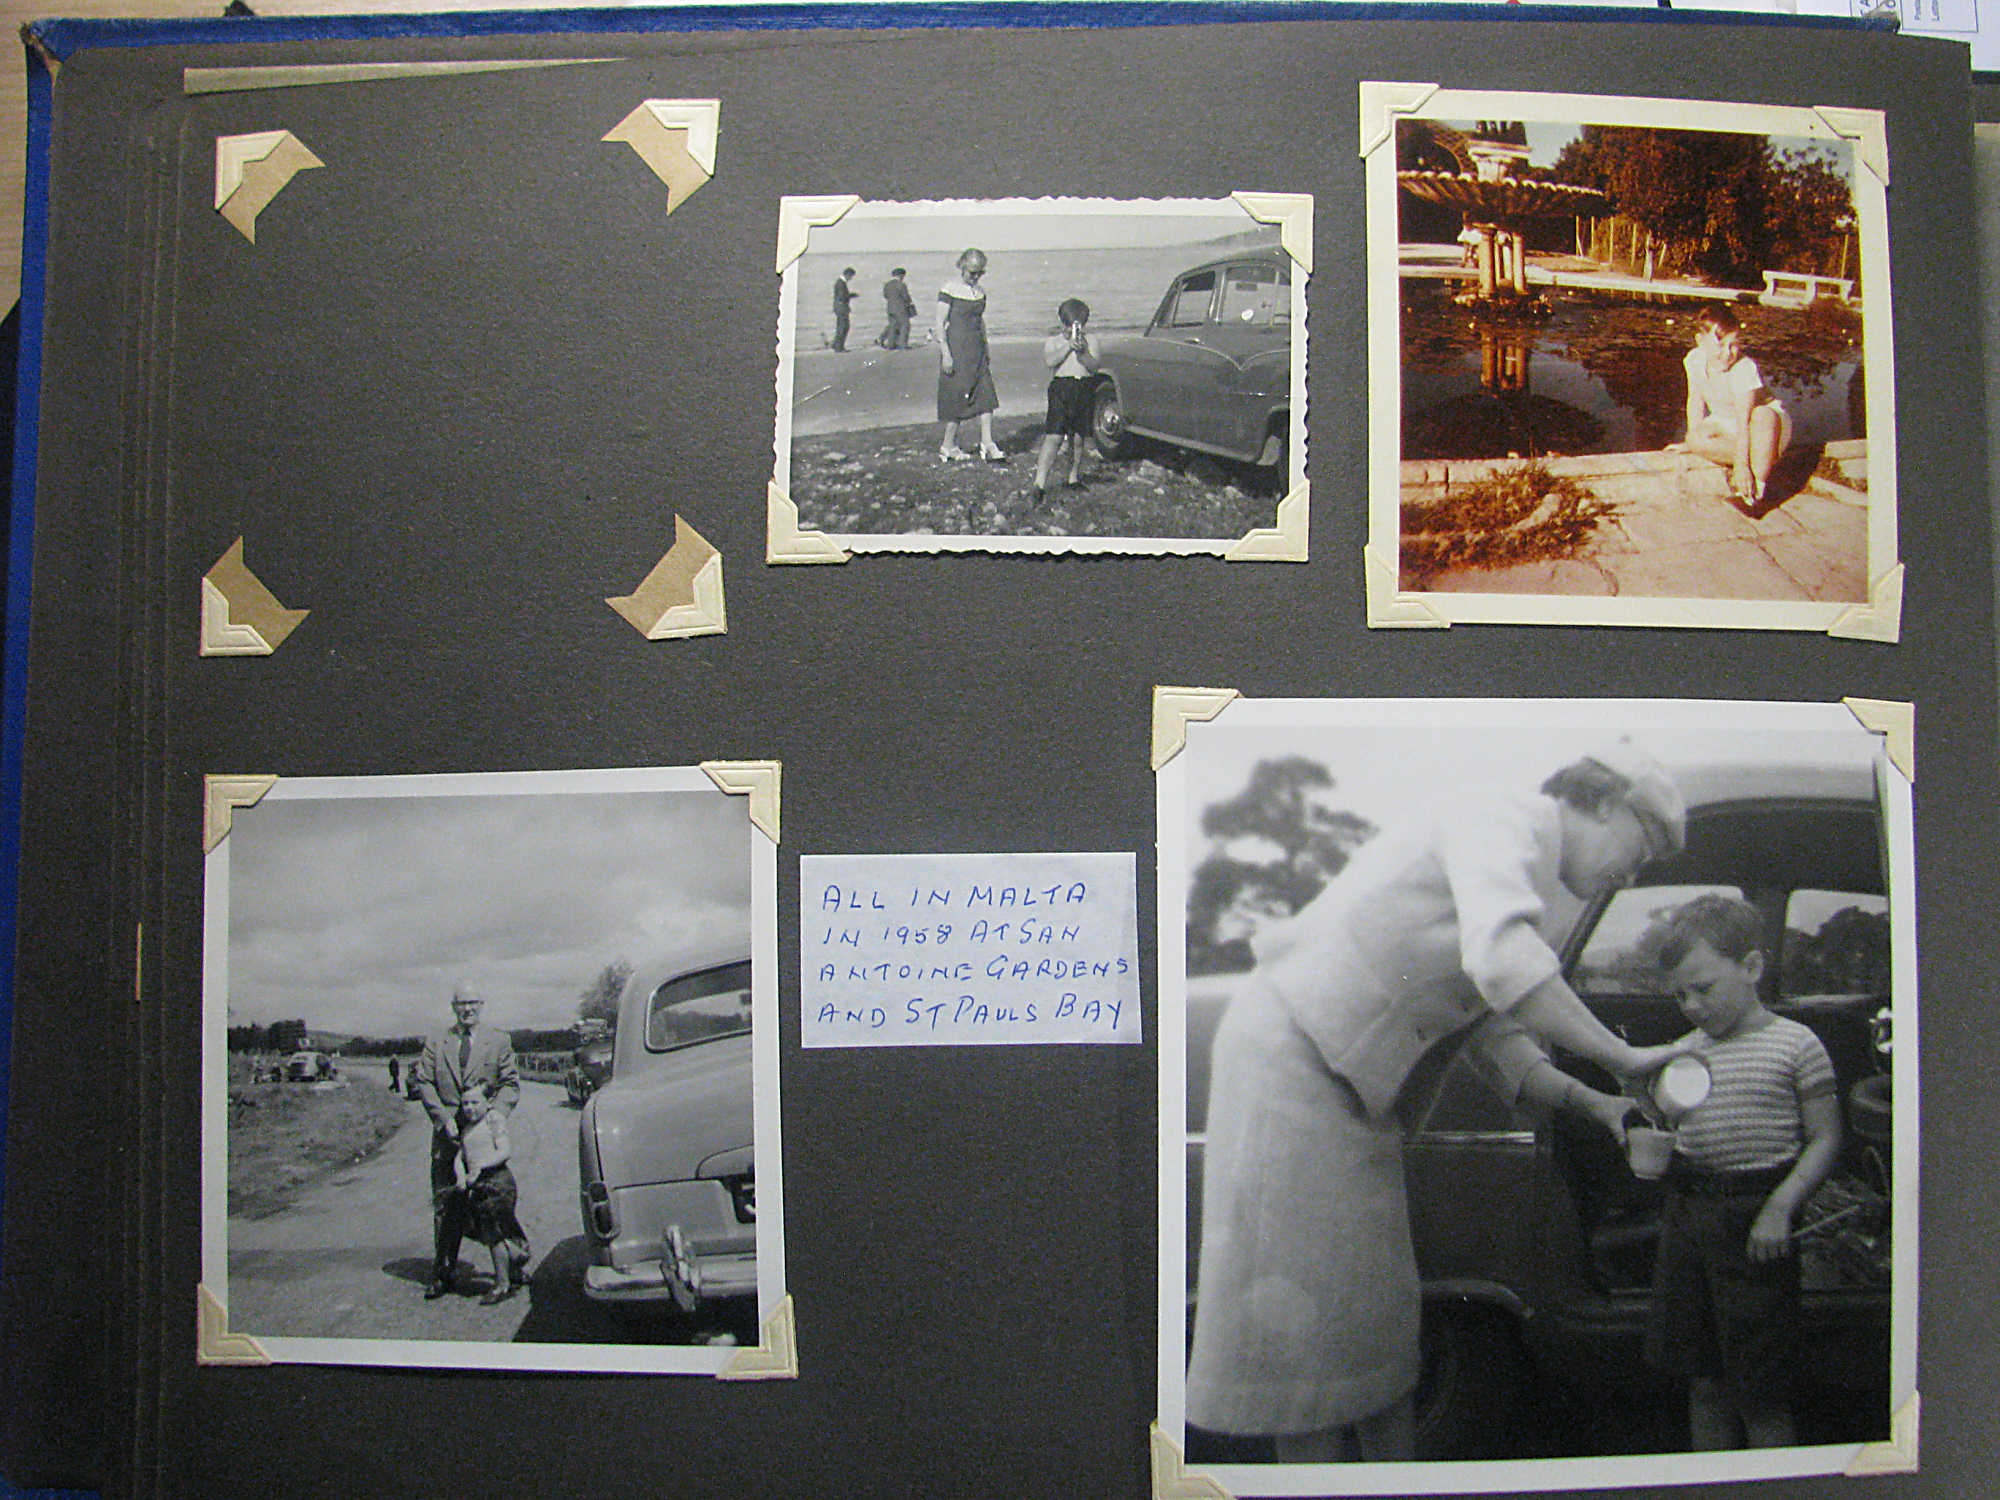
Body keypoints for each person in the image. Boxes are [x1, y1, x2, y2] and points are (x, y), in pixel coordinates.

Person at [1186, 743, 1699, 1462]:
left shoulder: (1527, 873)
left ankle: (1392, 1481)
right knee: (1308, 1341)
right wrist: (1625, 1058)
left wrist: (1597, 1101)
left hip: (1350, 1094)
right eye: (1641, 850)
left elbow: (1494, 1026)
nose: (1633, 874)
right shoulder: (1498, 818)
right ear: (1607, 804)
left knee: (1379, 1321)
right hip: (1293, 1064)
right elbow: (1504, 964)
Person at [1646, 894, 1842, 1450]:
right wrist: (1645, 1107)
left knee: (1761, 1390)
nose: (1691, 1006)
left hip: (1757, 1220)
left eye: (1702, 988)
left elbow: (1826, 1138)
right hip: (1689, 1215)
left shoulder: (1796, 1045)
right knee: (1703, 1381)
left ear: (1751, 967)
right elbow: (1667, 1125)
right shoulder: (1683, 1052)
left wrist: (1781, 1208)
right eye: (1680, 995)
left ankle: (1770, 1478)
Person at [413, 989, 521, 1300]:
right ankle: (444, 1272)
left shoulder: (498, 1040)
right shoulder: (437, 1041)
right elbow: (424, 1082)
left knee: (495, 1203)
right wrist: (443, 1118)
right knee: (446, 1204)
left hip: (484, 1139)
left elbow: (510, 1083)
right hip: (447, 1136)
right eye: (461, 1003)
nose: (467, 1009)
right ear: (453, 1007)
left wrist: (495, 1115)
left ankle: (513, 1264)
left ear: (481, 1005)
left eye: (473, 1002)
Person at [1671, 304, 1792, 506]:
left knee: (1762, 414)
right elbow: (1695, 400)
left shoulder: (1744, 368)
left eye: (1734, 345)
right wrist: (1691, 442)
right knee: (1695, 439)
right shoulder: (1693, 360)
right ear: (1700, 341)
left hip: (1765, 427)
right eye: (1720, 345)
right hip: (1728, 423)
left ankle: (1756, 492)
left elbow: (1745, 421)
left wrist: (1741, 465)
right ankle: (1758, 457)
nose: (1728, 353)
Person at [453, 1083, 532, 1305]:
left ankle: (502, 1284)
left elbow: (504, 1151)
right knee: (490, 1231)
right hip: (477, 1185)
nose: (469, 1108)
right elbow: (460, 1157)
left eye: (474, 1102)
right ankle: (516, 1261)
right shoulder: (467, 1128)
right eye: (465, 1104)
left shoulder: (492, 1120)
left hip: (497, 1182)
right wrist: (461, 1176)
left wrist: (481, 1166)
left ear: (487, 1103)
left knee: (494, 1234)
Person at [935, 247, 1003, 463]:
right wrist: (946, 353)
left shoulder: (980, 292)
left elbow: (980, 322)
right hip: (957, 348)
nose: (975, 277)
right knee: (958, 397)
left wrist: (986, 347)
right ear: (962, 268)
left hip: (977, 348)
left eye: (979, 273)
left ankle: (987, 443)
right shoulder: (950, 289)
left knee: (986, 395)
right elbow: (939, 324)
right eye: (972, 272)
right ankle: (948, 445)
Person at [1031, 297, 1100, 504]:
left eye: (1077, 326)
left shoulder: (1091, 340)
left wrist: (1082, 353)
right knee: (1054, 436)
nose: (1072, 330)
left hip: (1084, 387)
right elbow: (1050, 361)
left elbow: (1094, 367)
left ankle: (1073, 477)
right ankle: (1039, 482)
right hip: (1062, 388)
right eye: (1068, 326)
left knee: (1078, 438)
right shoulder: (1054, 341)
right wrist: (1069, 346)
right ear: (1062, 323)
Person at [877, 267, 918, 349]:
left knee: (893, 326)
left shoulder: (887, 284)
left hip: (890, 307)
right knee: (905, 325)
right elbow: (906, 297)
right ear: (901, 275)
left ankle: (891, 344)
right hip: (901, 308)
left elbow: (885, 295)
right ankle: (903, 344)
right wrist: (910, 304)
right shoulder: (901, 284)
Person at [831, 267, 859, 352]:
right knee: (844, 327)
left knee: (841, 326)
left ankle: (836, 344)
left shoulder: (840, 282)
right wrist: (851, 295)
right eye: (851, 276)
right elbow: (842, 297)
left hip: (839, 307)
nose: (851, 278)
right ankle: (839, 347)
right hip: (842, 308)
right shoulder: (841, 283)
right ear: (848, 275)